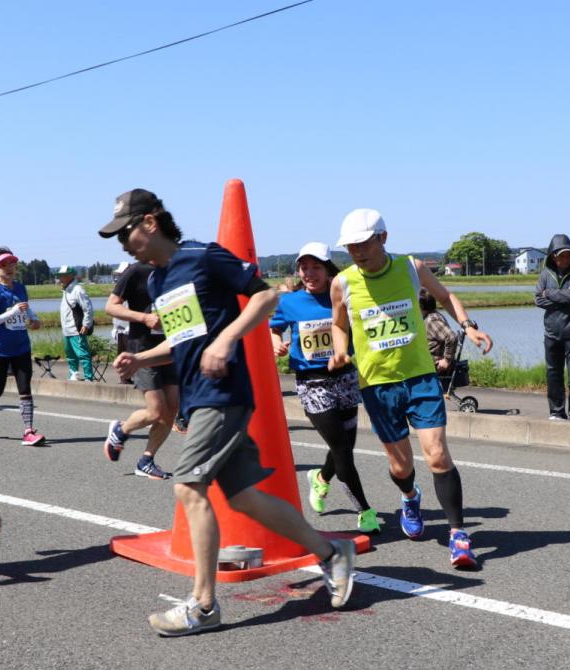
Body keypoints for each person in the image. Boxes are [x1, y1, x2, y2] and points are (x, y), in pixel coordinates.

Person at [101, 188, 355, 636]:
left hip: (223, 393)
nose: (122, 243)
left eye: (125, 232)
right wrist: (143, 359)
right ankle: (331, 553)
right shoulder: (157, 280)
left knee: (188, 485)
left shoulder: (202, 256)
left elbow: (264, 298)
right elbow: (183, 340)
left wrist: (228, 339)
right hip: (199, 397)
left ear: (151, 222)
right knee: (242, 497)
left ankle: (203, 604)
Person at [328, 208, 493, 569]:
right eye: (350, 246)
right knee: (401, 466)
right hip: (377, 385)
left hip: (420, 377)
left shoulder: (410, 268)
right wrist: (341, 351)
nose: (356, 251)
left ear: (383, 238)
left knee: (437, 455)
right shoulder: (342, 283)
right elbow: (338, 324)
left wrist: (468, 326)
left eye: (363, 244)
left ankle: (458, 536)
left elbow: (447, 297)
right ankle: (409, 496)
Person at [270, 242, 378, 533]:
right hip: (312, 382)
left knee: (343, 446)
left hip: (345, 378)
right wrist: (275, 342)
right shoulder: (289, 302)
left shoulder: (343, 294)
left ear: (328, 268)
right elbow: (274, 326)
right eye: (304, 267)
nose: (309, 273)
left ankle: (320, 478)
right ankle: (365, 511)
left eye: (316, 266)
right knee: (343, 449)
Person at [105, 259, 179, 480]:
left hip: (173, 347)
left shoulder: (178, 269)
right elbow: (111, 306)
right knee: (156, 411)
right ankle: (122, 429)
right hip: (142, 348)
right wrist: (144, 317)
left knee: (171, 410)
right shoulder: (137, 270)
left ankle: (146, 460)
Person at [0, 247, 45, 446]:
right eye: (3, 264)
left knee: (25, 388)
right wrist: (11, 312)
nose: (9, 268)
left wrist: (34, 319)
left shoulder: (20, 288)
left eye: (12, 263)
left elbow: (25, 308)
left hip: (21, 346)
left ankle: (28, 431)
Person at [534, 234, 570, 421]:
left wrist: (549, 293)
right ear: (552, 256)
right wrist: (561, 298)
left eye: (567, 255)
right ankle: (557, 412)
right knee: (553, 373)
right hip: (551, 332)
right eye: (560, 255)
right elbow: (538, 300)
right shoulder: (545, 274)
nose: (564, 259)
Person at [56, 265, 97, 382]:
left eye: (62, 276)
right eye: (59, 276)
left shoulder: (78, 289)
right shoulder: (66, 290)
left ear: (70, 276)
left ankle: (89, 378)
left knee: (83, 354)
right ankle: (73, 376)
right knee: (70, 356)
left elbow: (88, 308)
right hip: (67, 330)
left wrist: (86, 324)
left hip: (76, 329)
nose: (60, 278)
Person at [420, 288, 458, 373]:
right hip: (426, 365)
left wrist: (447, 360)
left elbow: (451, 336)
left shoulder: (432, 320)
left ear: (421, 306)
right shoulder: (430, 316)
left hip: (433, 367)